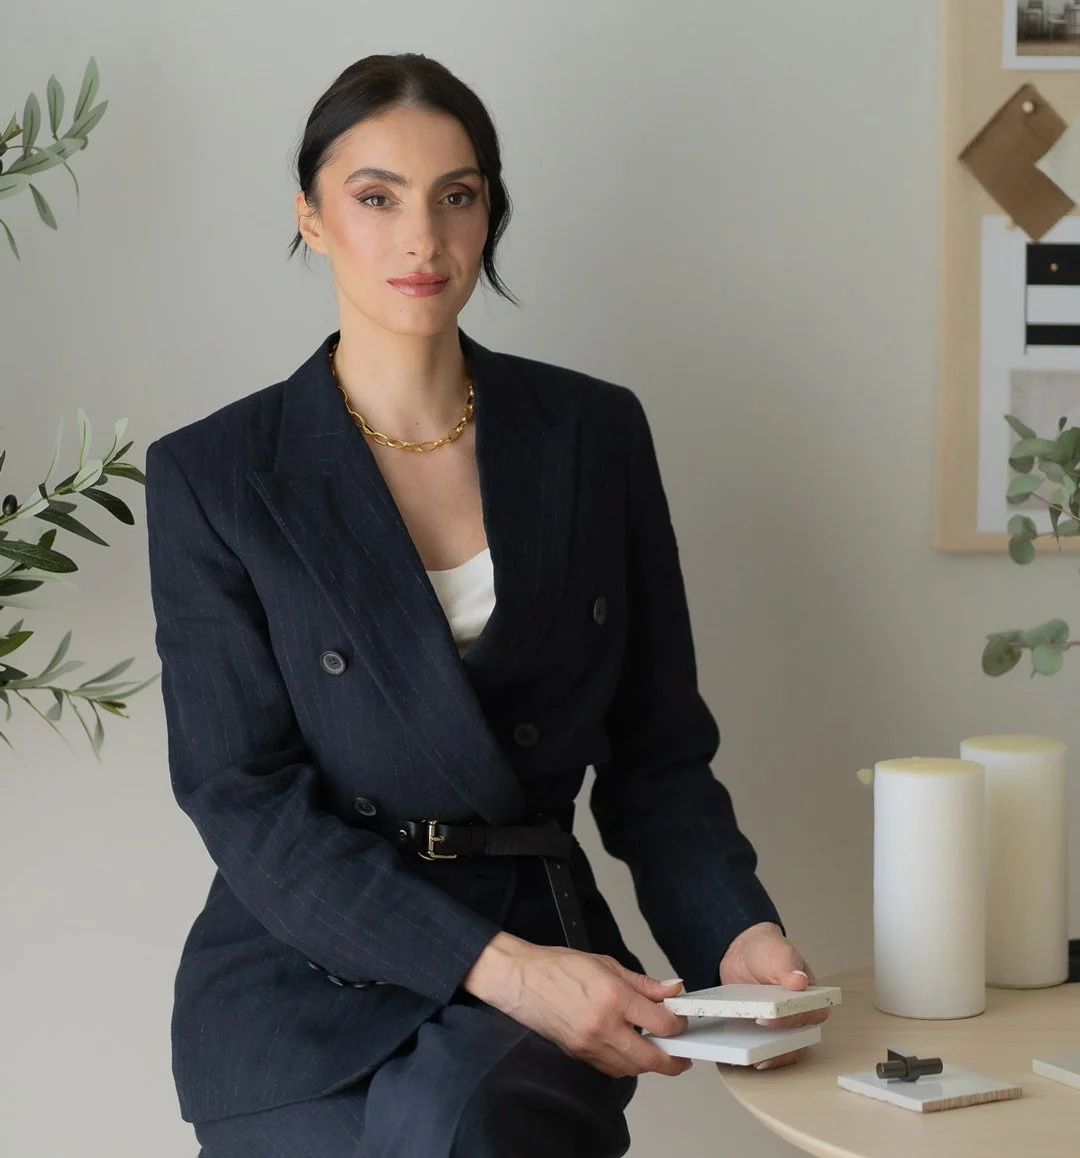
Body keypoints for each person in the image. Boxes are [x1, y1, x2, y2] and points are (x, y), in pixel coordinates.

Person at [145, 52, 828, 1158]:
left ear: (489, 213)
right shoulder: (216, 475)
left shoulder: (592, 435)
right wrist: (505, 975)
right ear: (313, 219)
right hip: (300, 982)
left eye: (457, 197)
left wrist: (735, 937)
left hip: (542, 944)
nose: (423, 238)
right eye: (376, 198)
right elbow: (242, 798)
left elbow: (657, 756)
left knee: (468, 1114)